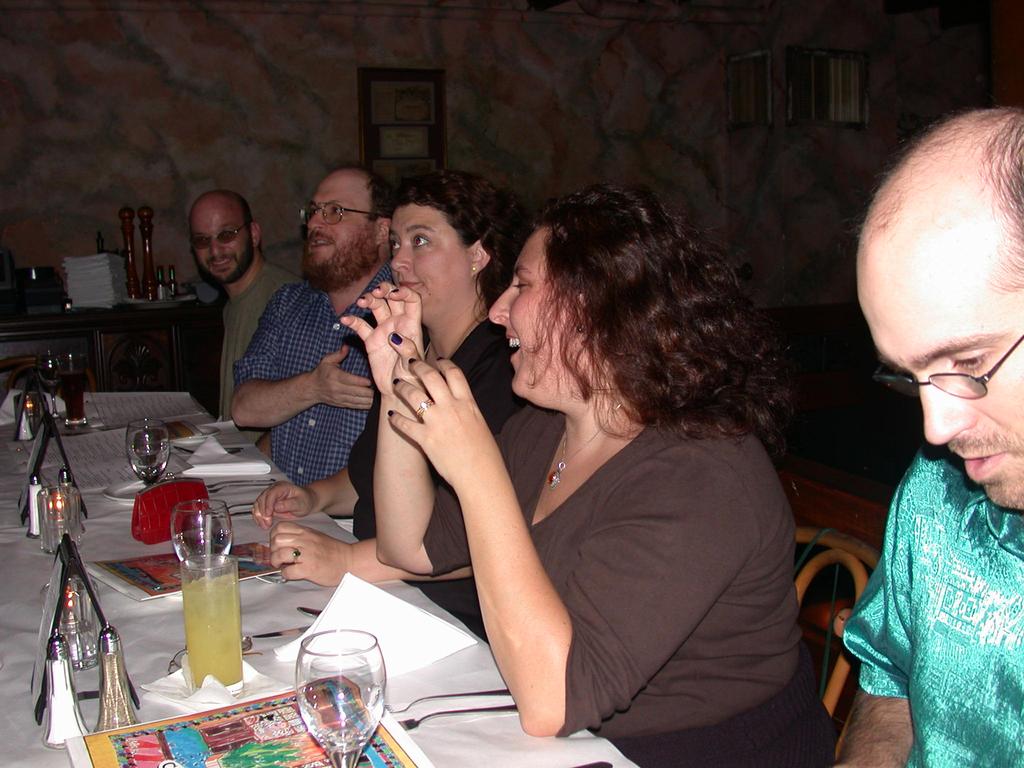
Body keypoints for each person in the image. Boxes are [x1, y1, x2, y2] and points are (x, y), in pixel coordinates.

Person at [350, 184, 835, 766]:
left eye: (522, 285)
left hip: (699, 753)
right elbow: (410, 547)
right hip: (570, 740)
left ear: (593, 308)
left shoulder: (703, 471)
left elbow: (552, 700)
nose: (498, 310)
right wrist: (398, 384)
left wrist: (476, 469)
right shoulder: (543, 429)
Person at [251, 170, 528, 639]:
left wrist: (345, 560)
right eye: (396, 243)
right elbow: (375, 475)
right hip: (382, 593)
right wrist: (315, 496)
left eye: (421, 241)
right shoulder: (412, 351)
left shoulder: (503, 371)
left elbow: (492, 534)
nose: (398, 260)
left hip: (451, 619)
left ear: (478, 255)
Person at [838, 107, 1024, 767]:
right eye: (909, 377)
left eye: (968, 363)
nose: (936, 429)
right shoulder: (935, 496)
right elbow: (891, 679)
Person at [232, 167, 393, 484]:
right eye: (314, 211)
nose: (315, 223)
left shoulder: (404, 316)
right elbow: (244, 408)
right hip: (280, 498)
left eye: (335, 211)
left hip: (357, 512)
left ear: (381, 231)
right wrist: (313, 387)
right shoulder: (288, 303)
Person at [188, 190, 296, 435]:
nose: (215, 251)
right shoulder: (233, 305)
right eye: (202, 241)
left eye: (226, 235)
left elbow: (298, 418)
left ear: (254, 234)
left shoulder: (286, 298)